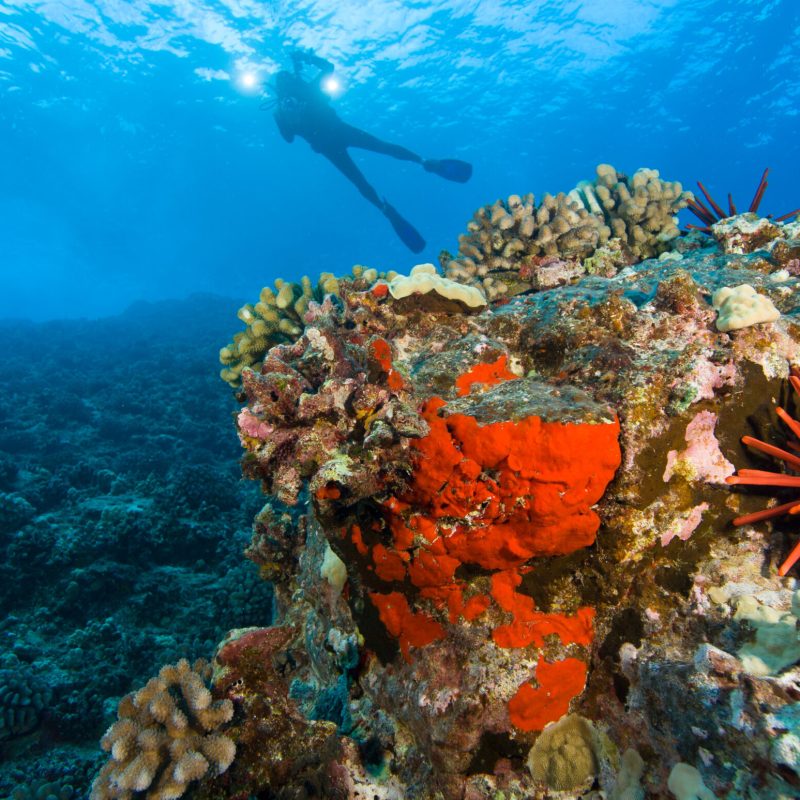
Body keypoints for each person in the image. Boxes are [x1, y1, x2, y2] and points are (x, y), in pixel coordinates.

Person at [272, 49, 472, 253]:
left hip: (329, 145)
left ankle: (385, 208)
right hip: (341, 132)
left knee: (360, 180)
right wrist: (307, 60)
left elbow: (288, 139)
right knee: (382, 149)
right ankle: (424, 162)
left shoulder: (288, 106)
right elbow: (329, 67)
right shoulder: (302, 94)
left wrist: (284, 115)